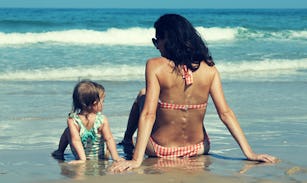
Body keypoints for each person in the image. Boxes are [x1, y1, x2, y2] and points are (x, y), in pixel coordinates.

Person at [112, 14, 277, 172]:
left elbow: (149, 114)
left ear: (167, 40)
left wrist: (136, 160)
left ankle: (127, 140)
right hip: (199, 148)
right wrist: (250, 153)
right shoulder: (210, 69)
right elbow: (225, 113)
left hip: (160, 149)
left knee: (143, 95)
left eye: (157, 41)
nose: (157, 46)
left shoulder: (155, 65)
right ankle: (128, 140)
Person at [52, 80, 123, 163]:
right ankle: (104, 157)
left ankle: (60, 151)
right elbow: (109, 139)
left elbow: (76, 141)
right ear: (95, 103)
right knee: (106, 137)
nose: (103, 104)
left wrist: (82, 159)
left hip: (81, 156)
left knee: (68, 131)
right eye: (102, 101)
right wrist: (116, 157)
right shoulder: (102, 120)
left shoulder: (73, 120)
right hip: (101, 157)